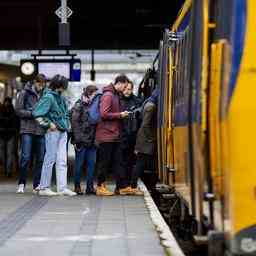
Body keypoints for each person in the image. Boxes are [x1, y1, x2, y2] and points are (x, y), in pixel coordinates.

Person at [32, 74, 76, 196]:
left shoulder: (59, 98)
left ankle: (62, 188)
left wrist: (67, 124)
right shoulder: (49, 97)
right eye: (64, 86)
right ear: (59, 86)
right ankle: (44, 187)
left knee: (62, 160)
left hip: (62, 131)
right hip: (53, 131)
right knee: (50, 159)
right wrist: (48, 124)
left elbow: (66, 113)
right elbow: (37, 114)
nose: (65, 88)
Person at [95, 74, 131, 196]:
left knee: (118, 161)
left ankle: (121, 187)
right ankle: (100, 186)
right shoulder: (108, 95)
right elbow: (103, 114)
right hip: (106, 135)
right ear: (119, 83)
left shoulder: (115, 95)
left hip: (114, 134)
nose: (125, 89)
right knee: (104, 162)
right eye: (124, 86)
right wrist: (120, 115)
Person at [15, 74, 47, 193]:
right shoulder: (24, 93)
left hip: (40, 130)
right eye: (40, 84)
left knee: (40, 158)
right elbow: (18, 111)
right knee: (26, 157)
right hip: (27, 129)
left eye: (43, 84)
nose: (41, 86)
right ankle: (22, 183)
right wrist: (32, 113)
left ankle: (36, 184)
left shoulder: (45, 94)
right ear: (35, 82)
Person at [71, 85, 99, 195]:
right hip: (81, 141)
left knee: (91, 164)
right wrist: (78, 139)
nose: (96, 97)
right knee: (79, 164)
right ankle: (77, 187)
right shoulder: (79, 105)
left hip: (92, 140)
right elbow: (74, 123)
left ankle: (90, 187)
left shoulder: (95, 106)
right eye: (94, 95)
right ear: (89, 94)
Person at [130, 89, 159, 194]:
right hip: (146, 140)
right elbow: (145, 125)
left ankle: (151, 187)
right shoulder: (151, 106)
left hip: (144, 139)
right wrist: (152, 137)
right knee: (141, 163)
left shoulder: (148, 103)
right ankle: (133, 186)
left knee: (145, 164)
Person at [120, 81, 142, 184]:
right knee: (121, 162)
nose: (127, 91)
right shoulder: (118, 100)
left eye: (129, 89)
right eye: (125, 89)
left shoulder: (137, 101)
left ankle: (129, 184)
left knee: (131, 162)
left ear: (132, 89)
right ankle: (122, 184)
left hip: (133, 137)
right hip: (120, 136)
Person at [0, 97, 19, 177]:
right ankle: (5, 168)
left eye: (8, 102)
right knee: (2, 154)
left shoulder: (13, 113)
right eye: (6, 102)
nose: (6, 103)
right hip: (1, 134)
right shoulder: (1, 111)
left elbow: (16, 123)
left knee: (9, 153)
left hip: (10, 135)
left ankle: (8, 171)